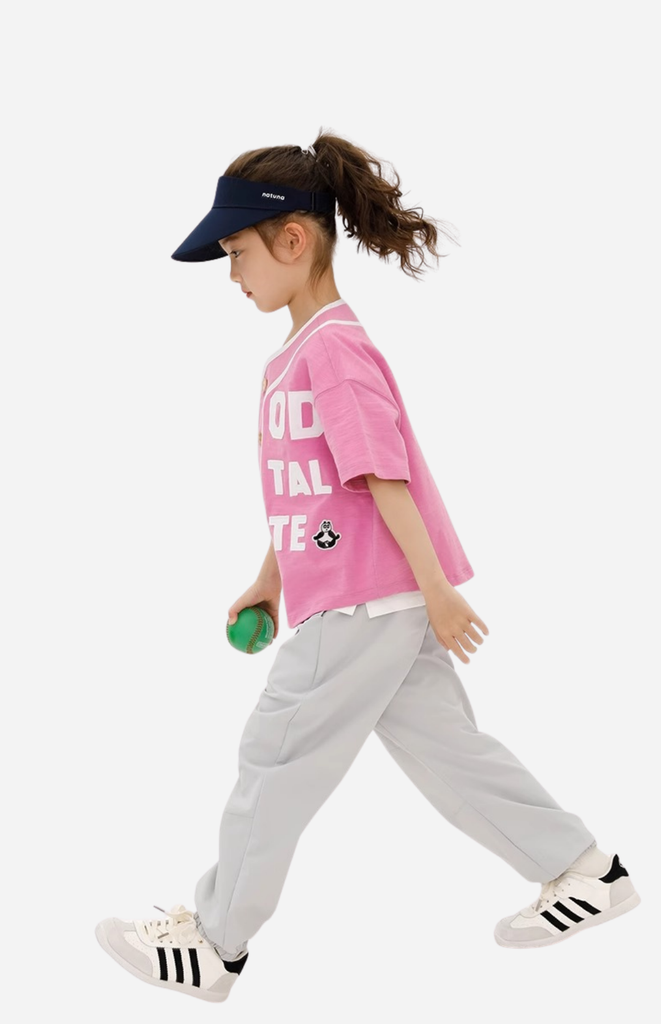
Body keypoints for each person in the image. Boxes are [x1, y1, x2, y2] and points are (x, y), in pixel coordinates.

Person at [95, 130, 640, 1003]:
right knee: (448, 749)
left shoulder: (331, 351)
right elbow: (319, 492)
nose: (231, 275)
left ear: (292, 239)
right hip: (366, 595)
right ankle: (585, 871)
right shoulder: (299, 353)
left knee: (275, 756)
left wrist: (436, 589)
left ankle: (215, 944)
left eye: (235, 253)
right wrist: (273, 575)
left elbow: (381, 474)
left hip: (361, 602)